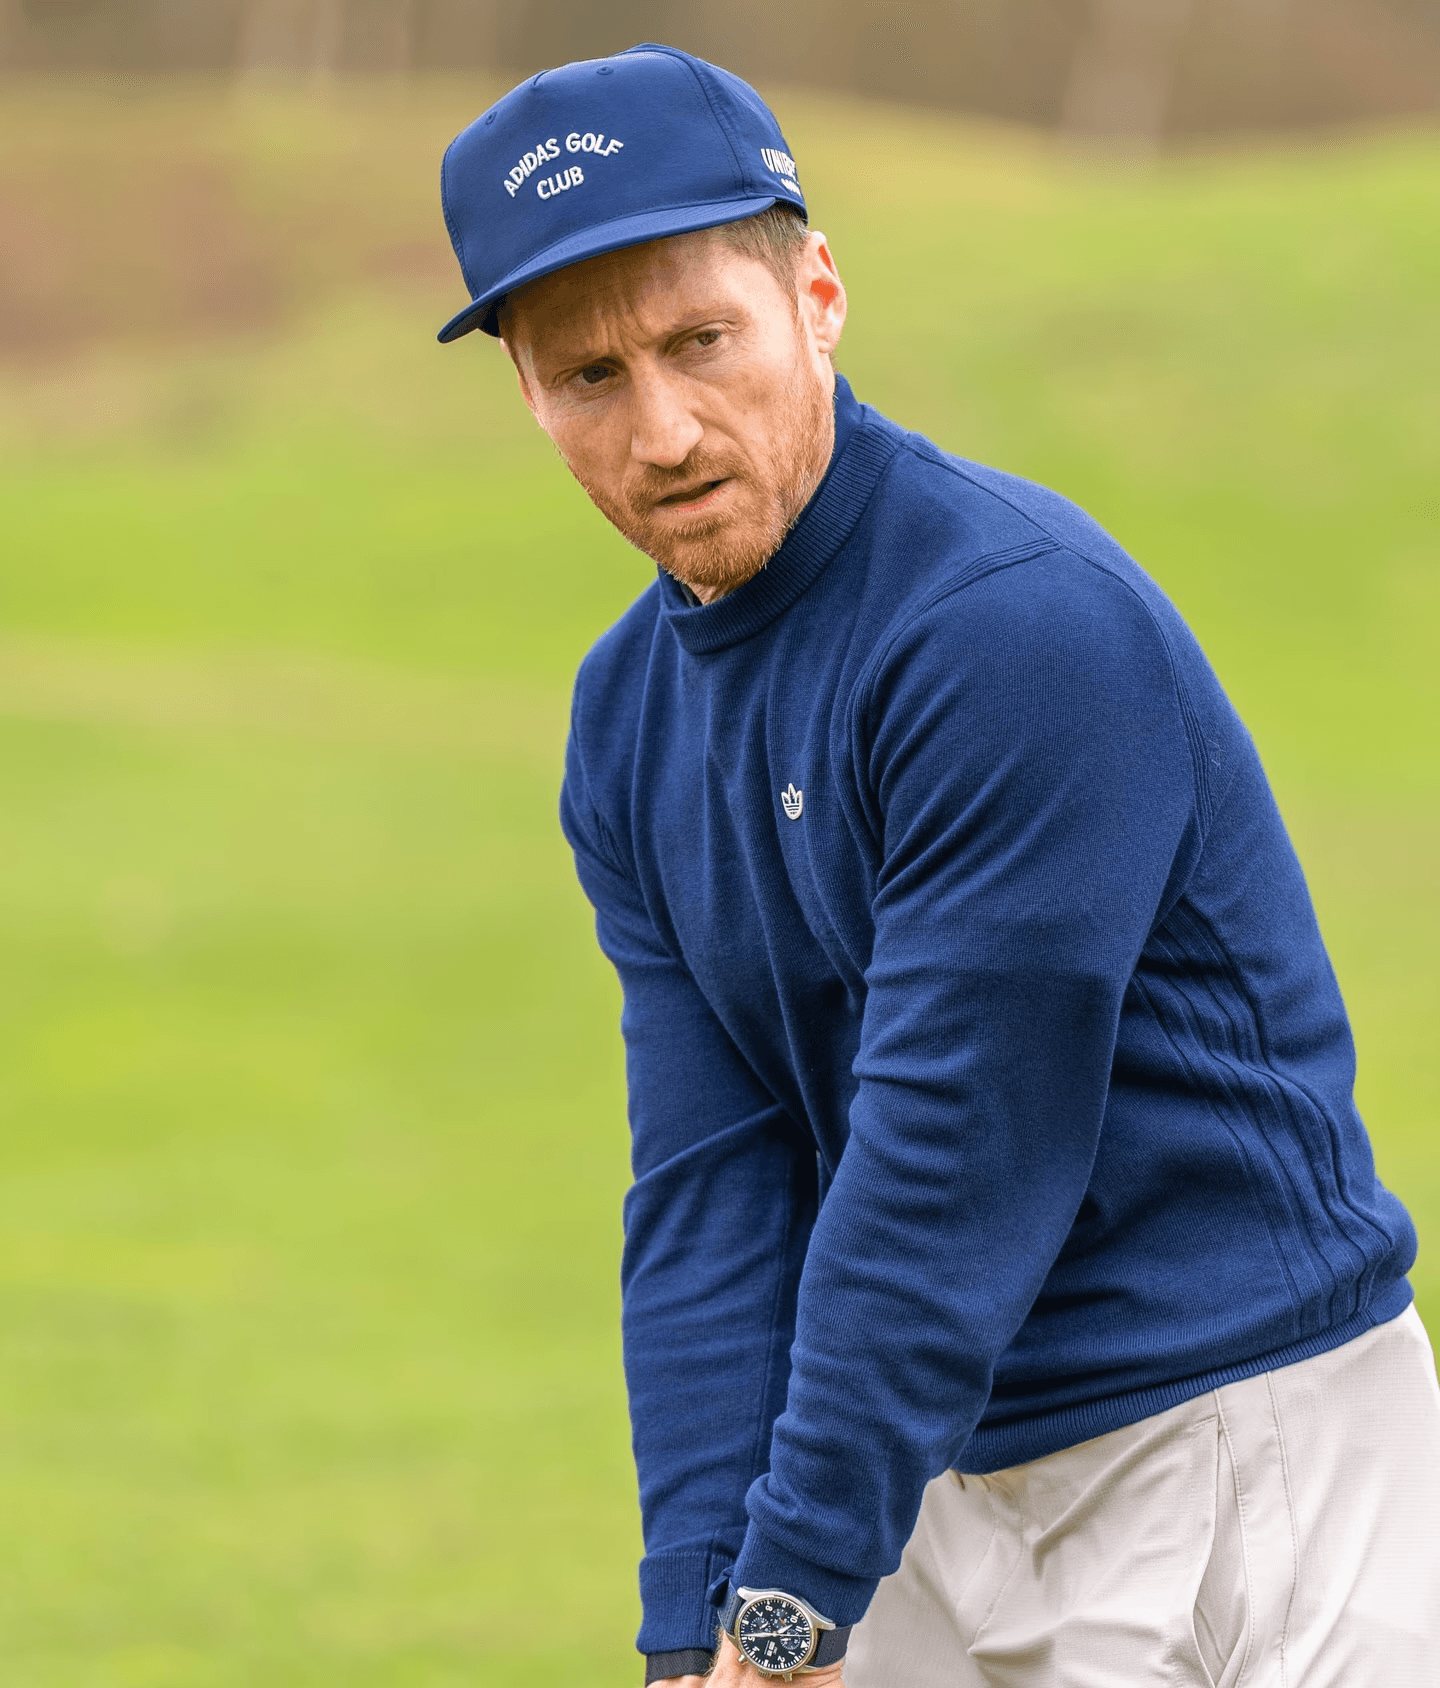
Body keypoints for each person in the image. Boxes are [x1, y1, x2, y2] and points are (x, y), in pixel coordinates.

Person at [436, 43, 1440, 1688]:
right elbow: (712, 1182)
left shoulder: (1006, 630)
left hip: (1226, 1443)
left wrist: (789, 1596)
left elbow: (950, 1153)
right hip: (928, 1478)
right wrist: (701, 1619)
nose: (666, 428)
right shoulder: (625, 717)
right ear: (529, 398)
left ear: (817, 295)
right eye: (589, 377)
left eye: (703, 340)